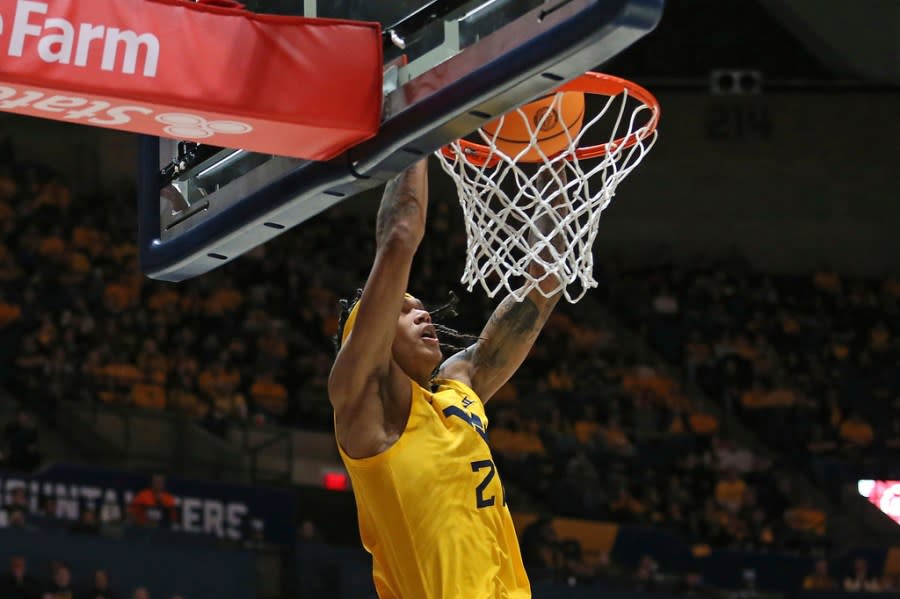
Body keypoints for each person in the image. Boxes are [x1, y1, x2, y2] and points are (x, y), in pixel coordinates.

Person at [329, 160, 565, 598]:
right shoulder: (367, 409)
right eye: (401, 310)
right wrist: (419, 132)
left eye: (419, 306)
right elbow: (399, 238)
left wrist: (557, 164)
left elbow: (544, 284)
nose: (420, 312)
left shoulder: (460, 388)